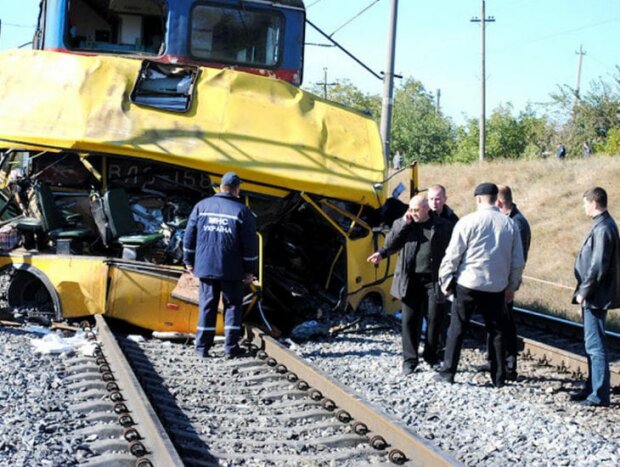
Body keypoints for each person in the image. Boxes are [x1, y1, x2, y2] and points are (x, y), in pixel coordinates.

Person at [435, 183, 525, 387]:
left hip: (468, 283)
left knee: (457, 328)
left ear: (478, 199)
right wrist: (511, 286)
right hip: (496, 287)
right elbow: (518, 261)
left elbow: (453, 255)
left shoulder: (468, 221)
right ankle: (499, 377)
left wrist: (445, 279)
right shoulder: (510, 225)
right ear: (496, 199)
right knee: (497, 331)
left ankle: (448, 372)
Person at [367, 195, 452, 374]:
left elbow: (453, 250)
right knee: (409, 321)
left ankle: (431, 355)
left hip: (434, 280)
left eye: (416, 210)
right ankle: (410, 360)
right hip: (410, 279)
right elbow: (391, 244)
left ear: (426, 209)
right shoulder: (403, 223)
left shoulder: (443, 226)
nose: (412, 213)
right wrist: (382, 252)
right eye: (410, 209)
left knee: (436, 319)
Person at [183, 171, 258, 359]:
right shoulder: (242, 211)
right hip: (232, 268)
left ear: (221, 187)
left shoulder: (202, 206)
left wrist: (189, 261)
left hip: (206, 266)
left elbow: (189, 236)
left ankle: (201, 348)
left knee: (207, 305)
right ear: (237, 189)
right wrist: (250, 270)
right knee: (233, 305)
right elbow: (249, 245)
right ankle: (231, 348)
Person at [570, 187, 620, 407]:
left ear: (594, 203)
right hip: (596, 295)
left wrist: (584, 292)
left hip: (596, 296)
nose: (583, 207)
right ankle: (592, 388)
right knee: (592, 343)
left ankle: (599, 394)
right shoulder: (603, 225)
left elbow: (598, 265)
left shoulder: (603, 228)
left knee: (595, 345)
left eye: (585, 203)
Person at [494, 185, 531, 380]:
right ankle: (495, 360)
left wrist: (512, 285)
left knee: (506, 323)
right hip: (497, 279)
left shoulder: (518, 223)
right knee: (496, 321)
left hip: (506, 281)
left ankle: (509, 366)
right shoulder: (506, 220)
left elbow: (519, 257)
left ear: (499, 202)